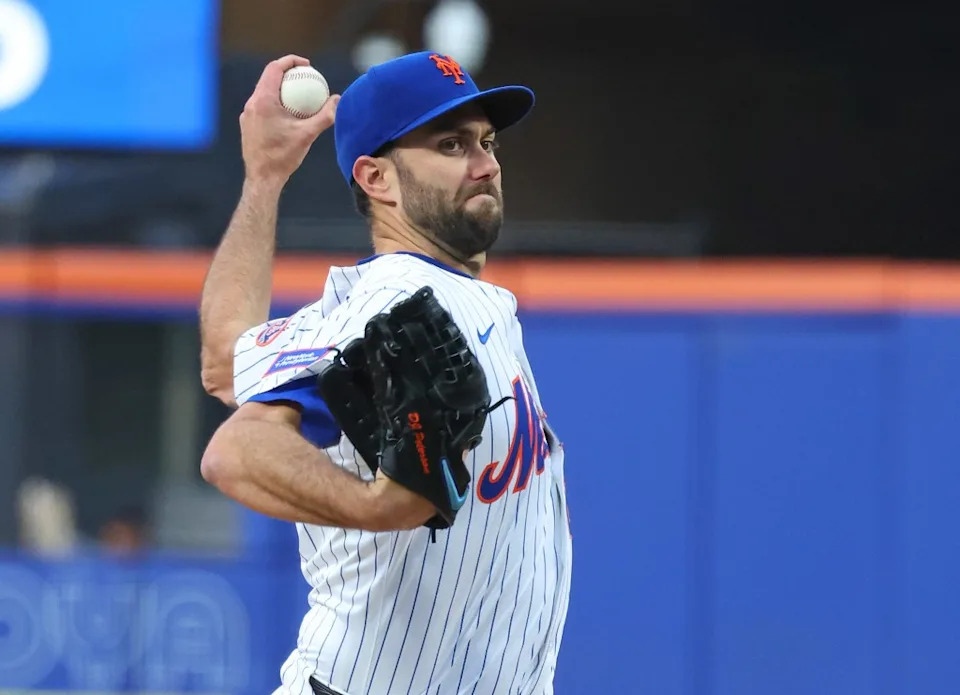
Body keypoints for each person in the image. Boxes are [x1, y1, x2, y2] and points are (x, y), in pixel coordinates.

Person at [199, 51, 571, 695]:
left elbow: (226, 362)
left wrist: (264, 178)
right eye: (451, 144)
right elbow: (236, 451)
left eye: (487, 141)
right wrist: (380, 506)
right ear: (377, 178)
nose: (486, 163)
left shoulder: (445, 297)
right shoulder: (399, 298)